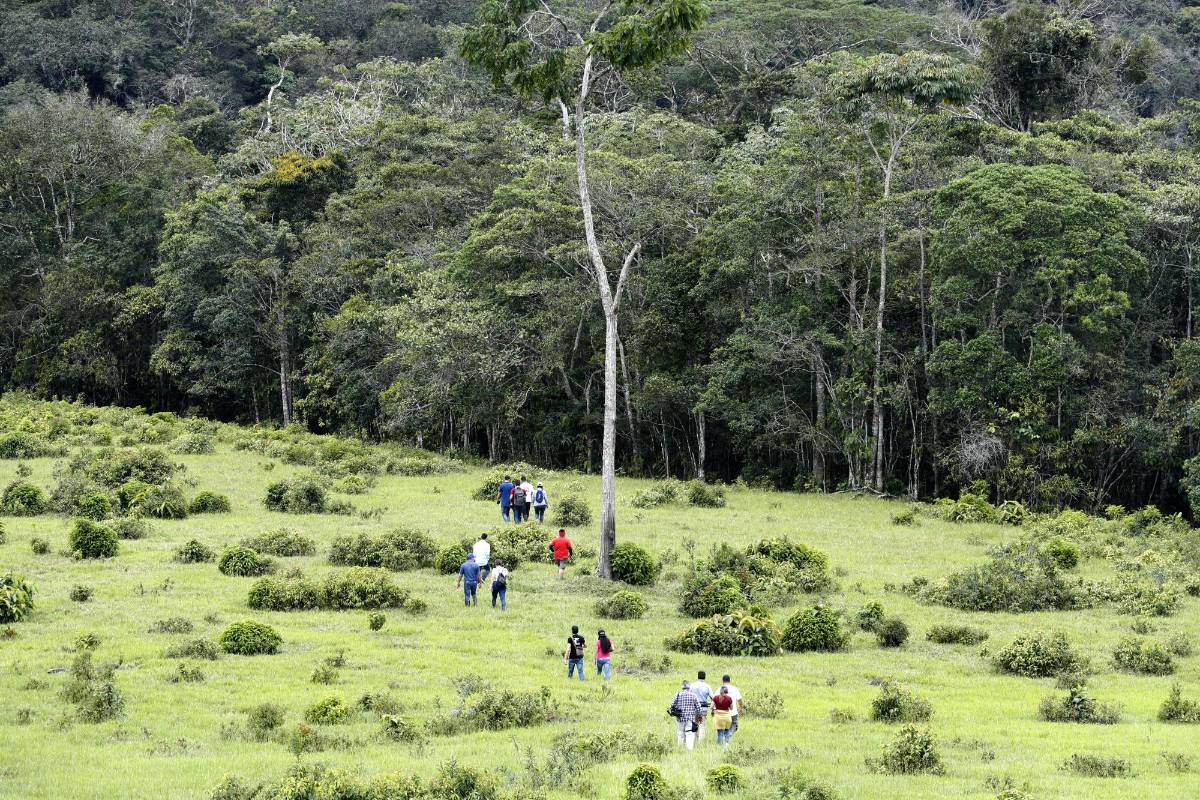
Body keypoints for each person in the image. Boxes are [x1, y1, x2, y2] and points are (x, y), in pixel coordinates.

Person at [668, 680, 702, 750]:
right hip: (690, 718)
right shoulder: (693, 695)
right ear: (689, 687)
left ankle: (680, 749)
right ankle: (689, 750)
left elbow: (672, 706)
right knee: (689, 734)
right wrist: (699, 716)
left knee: (680, 734)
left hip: (679, 718)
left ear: (682, 687)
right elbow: (698, 707)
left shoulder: (678, 694)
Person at [691, 670, 713, 741]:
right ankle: (701, 742)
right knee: (702, 725)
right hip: (703, 708)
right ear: (704, 677)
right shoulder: (707, 686)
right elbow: (713, 697)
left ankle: (694, 740)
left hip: (694, 708)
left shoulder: (692, 685)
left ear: (698, 676)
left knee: (694, 724)